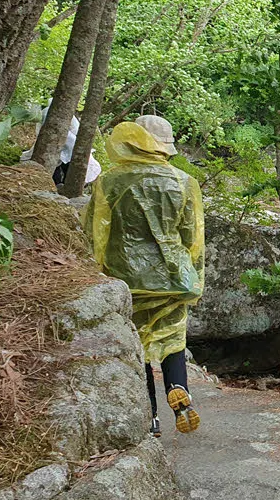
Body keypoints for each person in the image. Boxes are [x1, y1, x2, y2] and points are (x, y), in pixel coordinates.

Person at [85, 116, 204, 436]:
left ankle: (149, 416)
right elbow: (192, 236)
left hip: (124, 276)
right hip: (170, 275)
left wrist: (99, 269)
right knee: (171, 336)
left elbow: (95, 230)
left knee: (135, 344)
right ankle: (179, 390)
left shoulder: (108, 181)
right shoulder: (182, 182)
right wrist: (189, 270)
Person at [21, 101, 102, 188]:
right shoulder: (67, 112)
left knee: (54, 163)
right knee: (66, 164)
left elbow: (39, 129)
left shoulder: (45, 111)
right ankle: (66, 184)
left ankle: (56, 183)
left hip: (50, 140)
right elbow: (76, 128)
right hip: (69, 140)